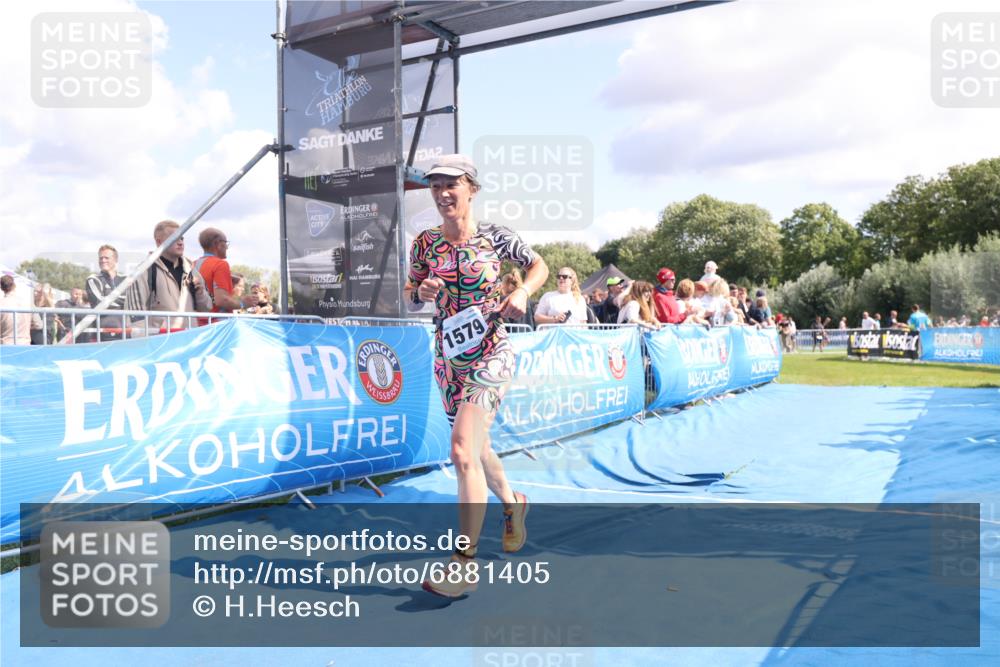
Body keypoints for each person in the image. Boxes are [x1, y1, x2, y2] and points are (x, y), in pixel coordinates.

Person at [405, 155, 548, 598]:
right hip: (449, 359)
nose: (443, 193)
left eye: (452, 185)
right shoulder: (426, 244)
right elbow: (411, 292)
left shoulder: (495, 237)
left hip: (492, 351)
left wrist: (523, 290)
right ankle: (512, 502)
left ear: (472, 189)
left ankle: (463, 563)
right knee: (478, 446)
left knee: (463, 450)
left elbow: (538, 265)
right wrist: (420, 290)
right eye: (435, 187)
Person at [125, 220, 212, 332]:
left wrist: (200, 293)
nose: (180, 242)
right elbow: (135, 317)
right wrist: (146, 345)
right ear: (159, 242)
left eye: (182, 238)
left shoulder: (191, 269)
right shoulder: (144, 270)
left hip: (190, 342)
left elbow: (206, 308)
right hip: (161, 344)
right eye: (174, 238)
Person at [194, 227, 244, 323]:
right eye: (226, 243)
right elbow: (222, 300)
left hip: (196, 323)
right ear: (218, 244)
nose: (227, 247)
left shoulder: (193, 264)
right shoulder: (220, 264)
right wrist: (243, 303)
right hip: (217, 325)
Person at [86, 244, 127, 340]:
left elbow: (133, 300)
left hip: (125, 333)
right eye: (101, 258)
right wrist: (124, 301)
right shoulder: (93, 279)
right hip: (102, 334)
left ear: (115, 260)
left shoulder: (126, 279)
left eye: (106, 258)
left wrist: (108, 298)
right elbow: (99, 303)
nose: (103, 260)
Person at [0, 275, 32, 345]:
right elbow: (38, 324)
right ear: (14, 285)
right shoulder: (27, 303)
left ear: (1, 288)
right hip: (25, 345)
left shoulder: (1, 304)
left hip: (6, 346)